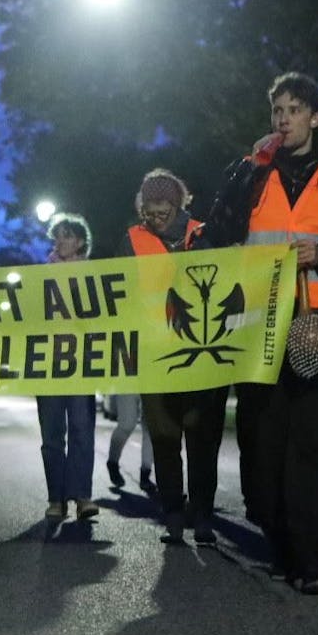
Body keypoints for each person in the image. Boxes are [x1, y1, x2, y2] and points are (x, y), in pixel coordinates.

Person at [200, 72, 318, 596]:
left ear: (315, 117)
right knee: (264, 442)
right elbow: (217, 233)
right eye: (277, 110)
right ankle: (278, 539)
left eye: (294, 109)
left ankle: (312, 556)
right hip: (261, 325)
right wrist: (246, 170)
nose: (283, 119)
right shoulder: (253, 174)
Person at [118, 170, 221, 541]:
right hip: (154, 354)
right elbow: (121, 292)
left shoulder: (203, 234)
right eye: (149, 213)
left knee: (200, 435)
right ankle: (174, 514)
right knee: (163, 436)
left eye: (163, 213)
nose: (155, 220)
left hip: (200, 354)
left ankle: (203, 514)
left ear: (177, 205)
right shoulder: (133, 239)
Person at [37, 213, 100, 523]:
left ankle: (82, 496)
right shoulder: (41, 276)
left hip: (82, 362)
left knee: (81, 429)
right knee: (52, 434)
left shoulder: (96, 275)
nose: (61, 241)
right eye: (58, 235)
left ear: (80, 241)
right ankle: (56, 498)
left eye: (68, 236)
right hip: (47, 363)